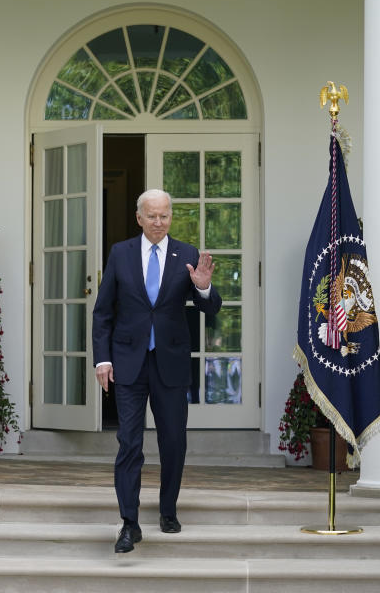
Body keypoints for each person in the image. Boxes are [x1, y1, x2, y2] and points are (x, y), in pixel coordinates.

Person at [92, 189, 222, 553]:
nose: (159, 222)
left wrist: (204, 287)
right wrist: (102, 359)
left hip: (171, 362)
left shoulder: (188, 254)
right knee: (129, 443)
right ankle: (129, 523)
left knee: (173, 442)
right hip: (129, 363)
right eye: (152, 216)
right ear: (139, 218)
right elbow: (103, 311)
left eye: (165, 215)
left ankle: (168, 510)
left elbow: (210, 308)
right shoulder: (121, 253)